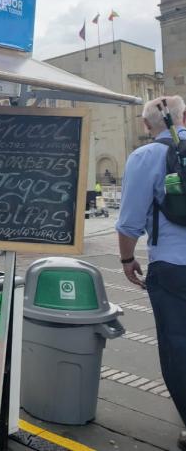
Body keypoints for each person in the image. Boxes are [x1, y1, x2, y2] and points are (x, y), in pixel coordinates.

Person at [116, 95, 186, 451]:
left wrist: (127, 261)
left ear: (146, 126)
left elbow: (128, 224)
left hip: (172, 268)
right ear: (184, 116)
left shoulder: (144, 157)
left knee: (178, 348)